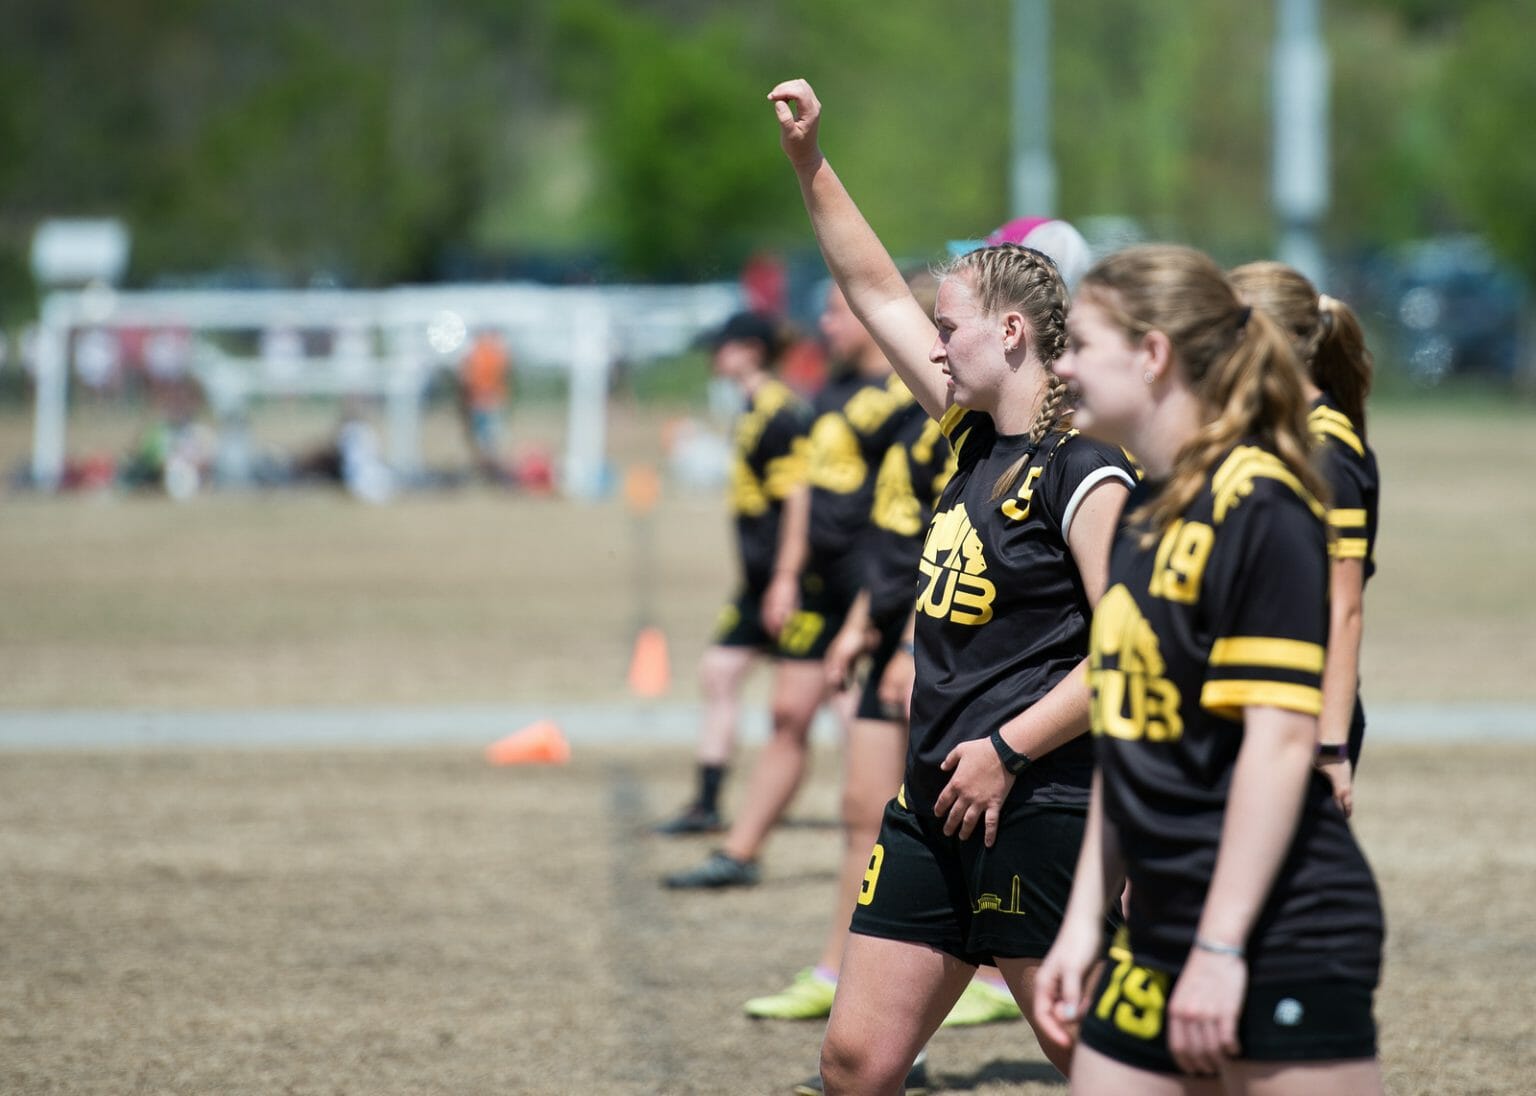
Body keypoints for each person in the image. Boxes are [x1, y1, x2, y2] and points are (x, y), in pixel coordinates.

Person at [768, 78, 1137, 1093]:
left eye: (950, 327)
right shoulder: (971, 433)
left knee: (1096, 1062)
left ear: (1011, 333)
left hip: (1042, 800)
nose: (930, 344)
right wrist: (811, 162)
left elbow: (1131, 651)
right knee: (856, 1060)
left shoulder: (1086, 469)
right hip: (935, 800)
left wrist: (1011, 748)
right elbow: (874, 290)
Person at [1034, 245, 1386, 1094]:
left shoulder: (1261, 502)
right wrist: (1083, 924)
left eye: (1080, 344)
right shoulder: (1143, 510)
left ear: (1152, 354)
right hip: (1157, 925)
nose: (1063, 367)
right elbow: (1127, 737)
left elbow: (1276, 742)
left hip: (1279, 931)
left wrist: (1224, 949)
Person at [664, 283, 923, 887]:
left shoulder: (909, 398)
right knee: (787, 712)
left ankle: (897, 858)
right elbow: (804, 493)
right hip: (818, 581)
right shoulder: (827, 391)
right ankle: (740, 852)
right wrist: (785, 574)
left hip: (879, 583)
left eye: (837, 312)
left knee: (893, 727)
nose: (824, 325)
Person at [1229, 262, 1380, 817]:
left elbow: (1344, 608)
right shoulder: (1271, 431)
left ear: (1283, 340)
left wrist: (1332, 743)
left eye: (1235, 332)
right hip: (1257, 700)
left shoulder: (1327, 447)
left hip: (1307, 710)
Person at [654, 311, 813, 835]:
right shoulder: (749, 407)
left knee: (836, 693)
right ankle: (705, 803)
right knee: (720, 673)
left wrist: (787, 576)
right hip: (757, 582)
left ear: (750, 349)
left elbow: (798, 500)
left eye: (720, 347)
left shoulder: (778, 412)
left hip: (790, 583)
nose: (712, 357)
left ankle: (898, 792)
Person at [459, 328, 514, 483]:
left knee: (488, 441)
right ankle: (488, 474)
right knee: (486, 441)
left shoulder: (484, 353)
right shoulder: (487, 352)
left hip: (486, 403)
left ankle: (490, 474)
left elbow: (467, 378)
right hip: (483, 404)